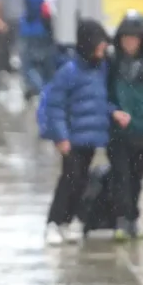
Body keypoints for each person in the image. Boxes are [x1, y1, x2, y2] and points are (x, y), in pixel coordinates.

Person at [43, 18, 115, 245]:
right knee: (70, 179)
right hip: (72, 139)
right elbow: (55, 106)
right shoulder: (69, 72)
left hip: (90, 139)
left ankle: (67, 221)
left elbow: (105, 101)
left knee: (82, 181)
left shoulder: (102, 69)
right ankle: (54, 222)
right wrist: (61, 136)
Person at [107, 11, 143, 241]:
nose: (129, 43)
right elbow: (105, 93)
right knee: (120, 175)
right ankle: (121, 219)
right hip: (117, 132)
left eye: (134, 38)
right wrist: (114, 113)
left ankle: (133, 217)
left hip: (141, 132)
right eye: (126, 38)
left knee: (136, 176)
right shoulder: (113, 64)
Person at [16, 0, 55, 101]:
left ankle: (43, 94)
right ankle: (46, 91)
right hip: (46, 29)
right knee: (44, 64)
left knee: (28, 65)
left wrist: (30, 16)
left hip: (30, 30)